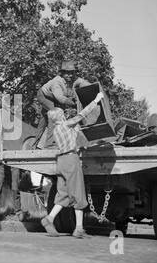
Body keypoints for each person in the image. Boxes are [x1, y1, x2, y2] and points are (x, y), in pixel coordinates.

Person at [40, 91, 104, 239]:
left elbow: (70, 139)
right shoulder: (67, 124)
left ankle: (49, 219)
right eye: (63, 114)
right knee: (78, 193)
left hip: (61, 162)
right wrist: (96, 100)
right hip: (71, 160)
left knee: (63, 194)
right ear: (61, 116)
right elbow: (82, 114)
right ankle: (79, 229)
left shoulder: (56, 130)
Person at [32, 61, 90, 150]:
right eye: (67, 73)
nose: (70, 75)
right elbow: (61, 99)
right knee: (56, 116)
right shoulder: (57, 82)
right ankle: (50, 145)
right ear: (62, 73)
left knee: (43, 122)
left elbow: (82, 82)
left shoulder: (74, 79)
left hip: (54, 99)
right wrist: (73, 103)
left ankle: (32, 146)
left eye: (72, 73)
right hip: (44, 96)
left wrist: (94, 87)